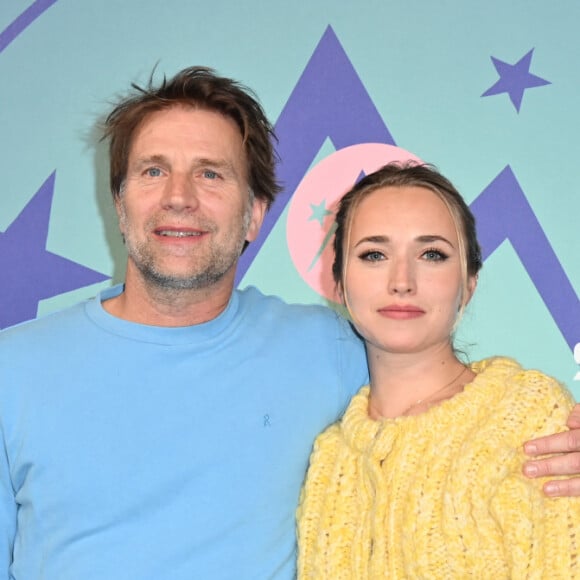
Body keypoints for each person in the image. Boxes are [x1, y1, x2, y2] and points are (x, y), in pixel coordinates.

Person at [0, 67, 577, 579]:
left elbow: (458, 406)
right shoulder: (14, 371)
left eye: (211, 174)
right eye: (153, 171)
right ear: (119, 202)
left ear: (254, 213)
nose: (179, 197)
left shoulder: (333, 348)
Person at [297, 162, 580, 578]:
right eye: (374, 254)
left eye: (432, 254)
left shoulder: (532, 419)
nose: (402, 281)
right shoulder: (329, 459)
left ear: (468, 283)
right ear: (338, 281)